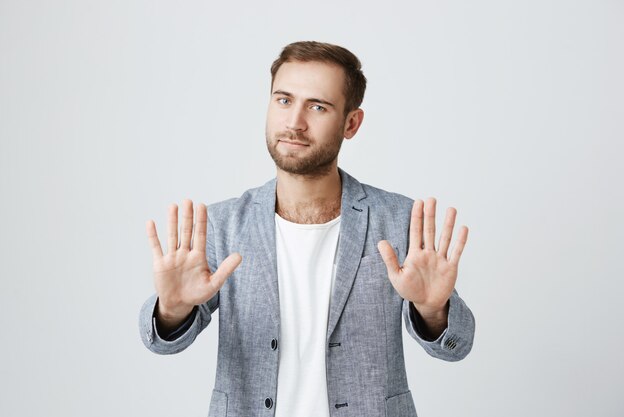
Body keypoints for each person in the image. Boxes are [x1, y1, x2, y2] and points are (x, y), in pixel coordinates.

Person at [139, 40, 475, 417]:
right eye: (283, 100)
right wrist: (171, 310)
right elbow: (161, 344)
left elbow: (457, 346)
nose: (294, 122)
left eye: (317, 107)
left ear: (351, 123)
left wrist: (433, 311)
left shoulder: (398, 219)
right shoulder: (223, 225)